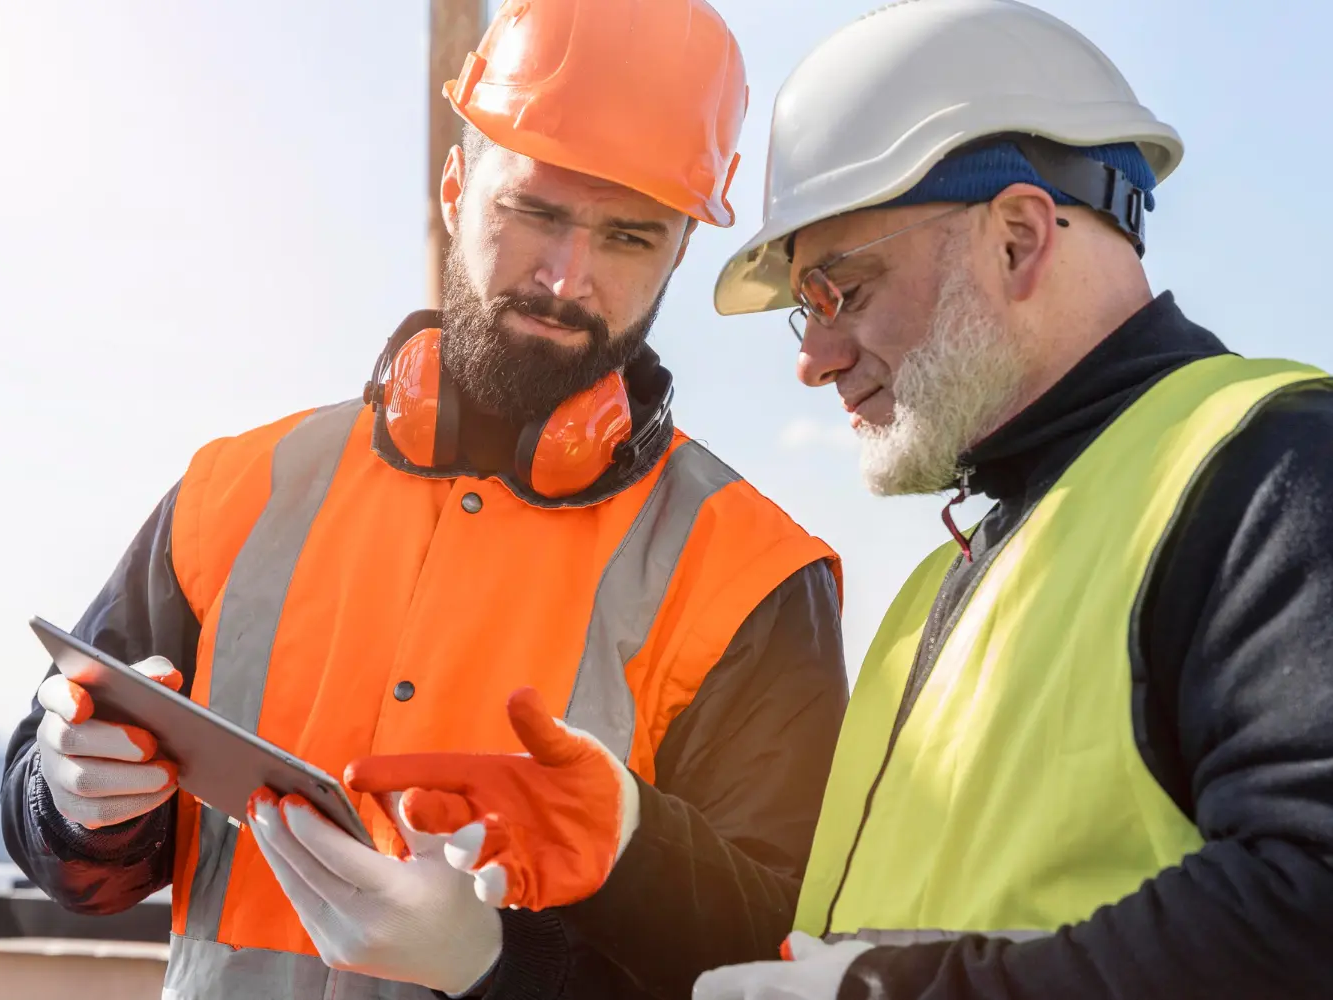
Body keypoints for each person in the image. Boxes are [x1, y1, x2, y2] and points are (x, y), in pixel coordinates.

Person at [349, 1, 1333, 998]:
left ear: (1020, 238)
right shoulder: (937, 595)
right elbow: (807, 950)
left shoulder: (1272, 469)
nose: (813, 362)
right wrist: (634, 852)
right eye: (804, 313)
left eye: (840, 292)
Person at [0, 1, 850, 998]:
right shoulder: (236, 490)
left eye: (628, 235)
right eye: (534, 210)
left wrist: (496, 969)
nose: (566, 276)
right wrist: (69, 797)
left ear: (677, 254)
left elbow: (771, 961)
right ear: (456, 187)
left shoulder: (753, 576)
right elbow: (64, 838)